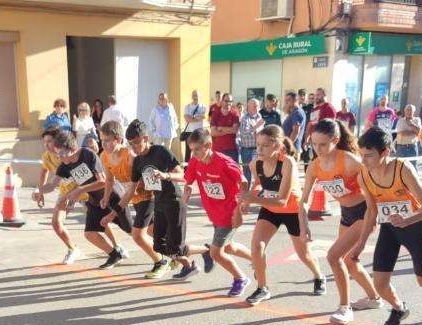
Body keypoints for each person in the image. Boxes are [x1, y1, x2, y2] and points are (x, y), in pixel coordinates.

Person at [349, 127, 422, 325]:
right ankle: (398, 308)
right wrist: (360, 244)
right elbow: (371, 211)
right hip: (390, 229)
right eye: (361, 155)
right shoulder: (364, 175)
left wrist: (408, 219)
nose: (363, 161)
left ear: (385, 153)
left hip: (414, 227)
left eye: (369, 156)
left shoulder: (402, 168)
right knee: (379, 283)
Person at [300, 119, 379, 324]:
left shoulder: (350, 161)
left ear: (335, 140)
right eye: (314, 144)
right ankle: (374, 298)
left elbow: (374, 185)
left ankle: (345, 308)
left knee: (334, 256)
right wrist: (304, 224)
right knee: (349, 262)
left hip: (365, 212)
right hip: (346, 214)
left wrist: (375, 216)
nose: (318, 149)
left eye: (323, 144)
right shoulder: (315, 167)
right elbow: (303, 201)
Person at [239, 124, 325, 305]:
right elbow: (257, 183)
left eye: (264, 145)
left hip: (292, 210)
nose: (259, 149)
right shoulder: (255, 164)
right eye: (258, 144)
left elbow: (282, 201)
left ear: (277, 147)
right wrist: (248, 199)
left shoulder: (287, 163)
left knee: (304, 254)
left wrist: (252, 200)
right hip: (270, 209)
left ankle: (319, 276)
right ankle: (262, 288)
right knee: (256, 246)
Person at [177, 128, 252, 297]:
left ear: (209, 145)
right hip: (214, 213)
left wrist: (239, 210)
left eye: (197, 149)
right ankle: (256, 259)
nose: (194, 153)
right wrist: (186, 192)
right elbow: (189, 181)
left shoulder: (224, 163)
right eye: (191, 149)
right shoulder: (196, 162)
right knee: (229, 247)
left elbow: (244, 182)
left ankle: (241, 278)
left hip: (230, 213)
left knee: (216, 252)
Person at [53, 129, 132, 268]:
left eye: (62, 154)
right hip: (96, 201)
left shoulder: (88, 155)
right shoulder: (65, 165)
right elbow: (56, 184)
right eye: (57, 153)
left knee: (134, 232)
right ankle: (114, 255)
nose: (60, 157)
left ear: (73, 149)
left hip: (113, 196)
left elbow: (102, 181)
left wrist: (80, 190)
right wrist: (54, 194)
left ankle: (163, 250)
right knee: (89, 233)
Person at [126, 119, 191, 278]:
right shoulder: (137, 161)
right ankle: (185, 257)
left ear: (146, 139)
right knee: (159, 245)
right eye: (130, 144)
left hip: (174, 201)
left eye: (135, 143)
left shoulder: (161, 151)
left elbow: (184, 176)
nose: (133, 147)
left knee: (175, 246)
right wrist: (114, 210)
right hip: (159, 203)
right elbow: (131, 189)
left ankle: (198, 258)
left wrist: (166, 175)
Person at [98, 119, 164, 273]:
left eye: (107, 140)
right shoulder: (104, 156)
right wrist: (106, 197)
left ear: (118, 140)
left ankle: (161, 262)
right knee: (155, 234)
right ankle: (184, 255)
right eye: (102, 140)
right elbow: (109, 179)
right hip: (134, 198)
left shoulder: (130, 156)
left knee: (138, 235)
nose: (104, 144)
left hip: (148, 196)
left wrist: (115, 209)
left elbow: (139, 181)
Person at [32, 125, 84, 265]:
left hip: (83, 188)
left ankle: (115, 248)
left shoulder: (69, 153)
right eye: (45, 142)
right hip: (65, 191)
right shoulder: (47, 156)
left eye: (49, 141)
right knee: (56, 222)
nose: (46, 145)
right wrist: (40, 191)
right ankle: (72, 249)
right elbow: (44, 171)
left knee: (100, 221)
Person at [236, 99, 264, 185]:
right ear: (249, 107)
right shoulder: (245, 118)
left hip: (259, 149)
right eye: (255, 106)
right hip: (248, 151)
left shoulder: (260, 116)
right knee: (247, 174)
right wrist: (256, 127)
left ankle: (259, 194)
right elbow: (244, 134)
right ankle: (247, 194)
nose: (257, 107)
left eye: (258, 106)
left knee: (260, 173)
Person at [209, 93, 240, 163]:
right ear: (222, 101)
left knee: (232, 172)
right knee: (217, 172)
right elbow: (213, 133)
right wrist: (229, 130)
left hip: (232, 150)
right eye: (226, 101)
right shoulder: (215, 114)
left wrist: (220, 128)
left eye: (230, 101)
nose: (228, 103)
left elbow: (235, 130)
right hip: (217, 149)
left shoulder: (235, 114)